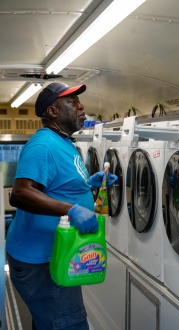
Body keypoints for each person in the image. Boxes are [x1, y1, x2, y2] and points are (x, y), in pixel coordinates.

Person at [6, 82, 118, 330]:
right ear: (52, 112)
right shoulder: (43, 145)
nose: (81, 106)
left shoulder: (64, 142)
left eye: (79, 101)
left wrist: (88, 184)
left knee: (50, 323)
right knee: (67, 325)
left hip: (56, 254)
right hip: (41, 262)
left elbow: (57, 184)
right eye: (73, 102)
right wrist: (72, 209)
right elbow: (20, 193)